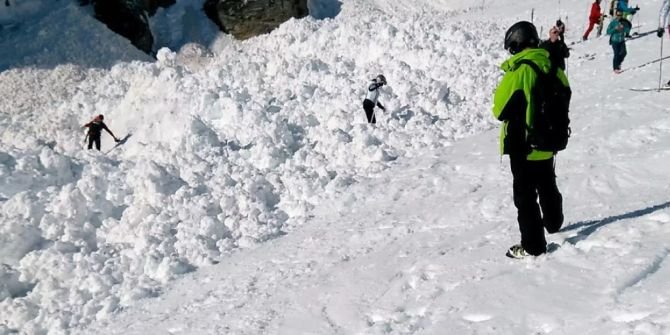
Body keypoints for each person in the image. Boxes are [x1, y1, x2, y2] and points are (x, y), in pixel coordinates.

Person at [492, 21, 569, 258]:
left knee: (525, 198)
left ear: (515, 44)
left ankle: (533, 246)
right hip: (549, 142)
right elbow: (565, 94)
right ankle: (554, 223)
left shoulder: (521, 70)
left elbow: (499, 109)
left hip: (524, 145)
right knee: (547, 184)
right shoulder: (553, 66)